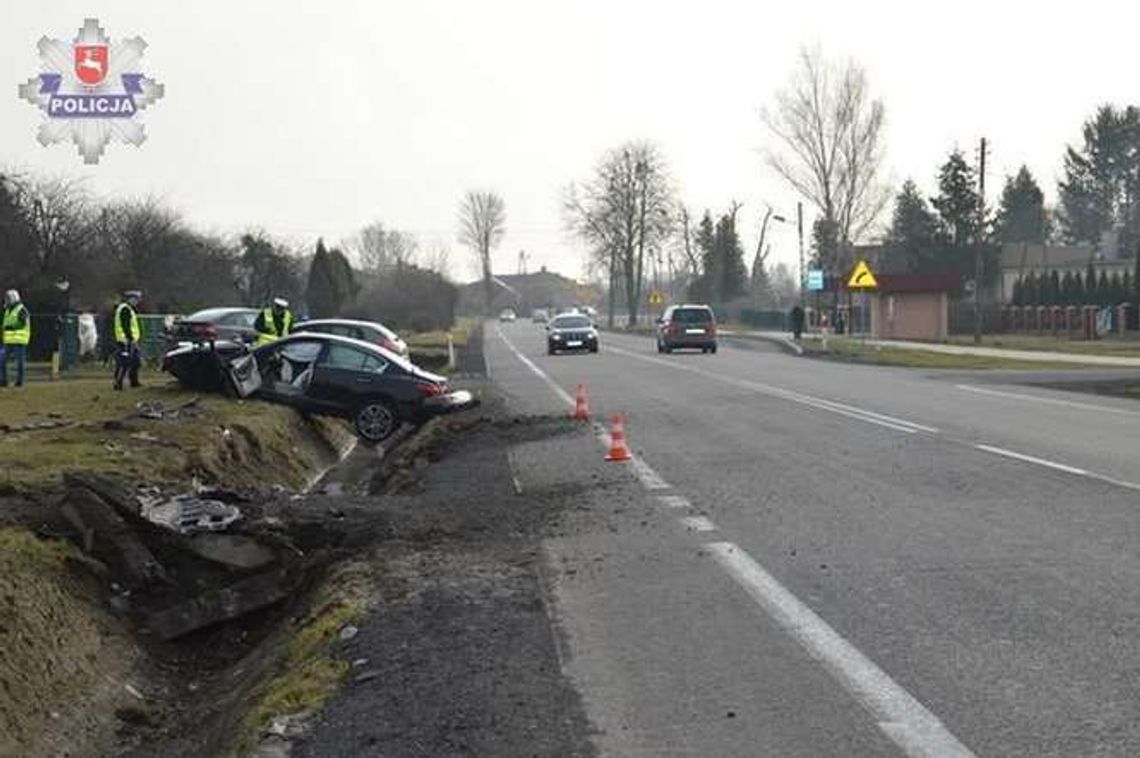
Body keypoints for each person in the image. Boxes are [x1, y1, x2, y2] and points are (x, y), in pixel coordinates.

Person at [113, 290, 143, 390]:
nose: (136, 302)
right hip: (125, 340)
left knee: (135, 361)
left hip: (131, 340)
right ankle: (118, 382)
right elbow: (125, 325)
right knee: (124, 363)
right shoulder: (125, 309)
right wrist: (129, 337)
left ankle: (134, 381)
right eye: (134, 299)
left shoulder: (128, 309)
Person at [1, 290, 31, 388]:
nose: (7, 300)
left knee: (20, 362)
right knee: (2, 360)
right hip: (8, 340)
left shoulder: (22, 309)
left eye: (9, 298)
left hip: (19, 340)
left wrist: (11, 327)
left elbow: (22, 323)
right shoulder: (7, 310)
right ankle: (3, 380)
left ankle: (19, 381)